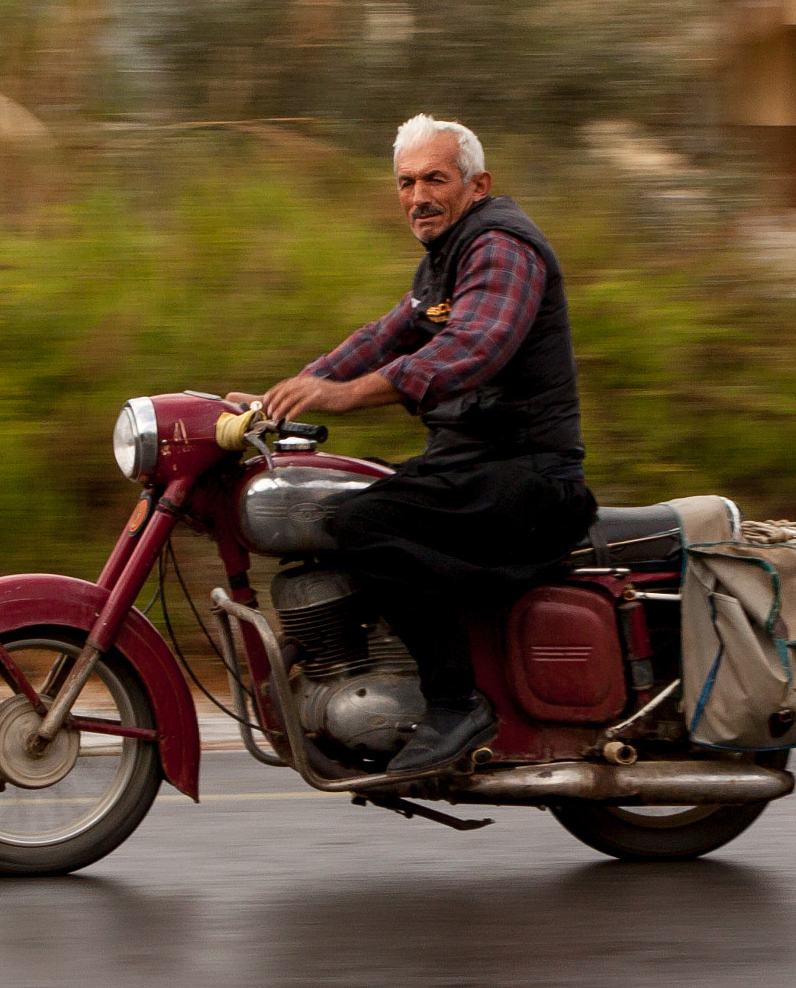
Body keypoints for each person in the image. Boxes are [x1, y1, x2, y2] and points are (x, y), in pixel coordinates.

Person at [249, 115, 596, 776]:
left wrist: (345, 397)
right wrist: (286, 393)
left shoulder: (500, 247)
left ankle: (454, 704)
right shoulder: (444, 261)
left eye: (434, 178)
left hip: (526, 478)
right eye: (406, 182)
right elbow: (382, 338)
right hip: (472, 468)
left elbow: (471, 350)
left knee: (361, 522)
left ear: (476, 184)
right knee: (349, 502)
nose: (417, 196)